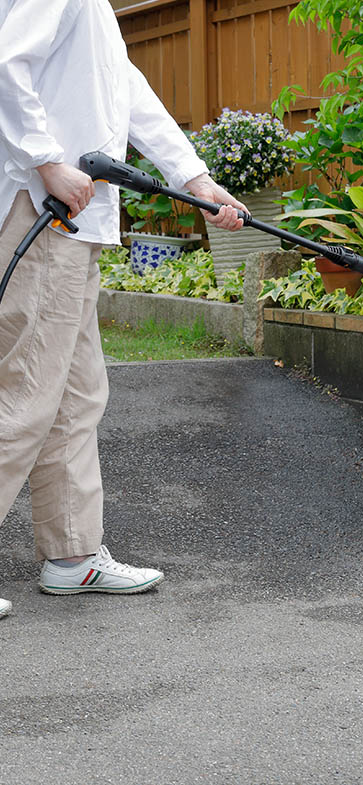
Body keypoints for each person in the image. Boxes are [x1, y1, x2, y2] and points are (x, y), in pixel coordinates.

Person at [0, 0, 248, 619]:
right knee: (28, 395)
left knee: (76, 396)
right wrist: (47, 160)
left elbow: (126, 90)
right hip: (44, 214)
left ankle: (73, 555)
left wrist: (194, 179)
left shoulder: (97, 12)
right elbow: (8, 62)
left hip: (74, 226)